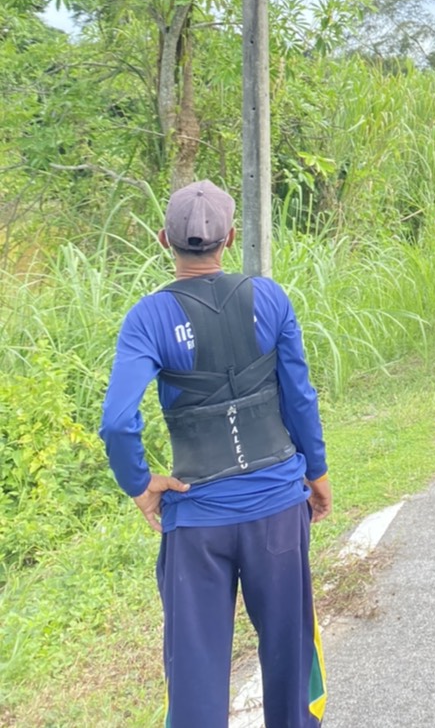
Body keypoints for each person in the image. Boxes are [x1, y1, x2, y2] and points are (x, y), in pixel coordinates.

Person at [100, 180, 331, 727]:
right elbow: (298, 396)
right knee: (290, 656)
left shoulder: (148, 318)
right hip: (277, 507)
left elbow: (117, 421)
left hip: (196, 519)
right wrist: (316, 472)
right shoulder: (270, 297)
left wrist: (139, 483)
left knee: (196, 677)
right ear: (230, 237)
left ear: (164, 241)